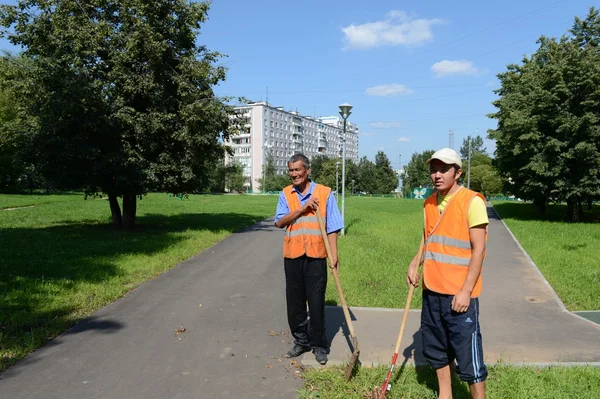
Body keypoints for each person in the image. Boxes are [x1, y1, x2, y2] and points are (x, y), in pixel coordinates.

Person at [406, 148, 489, 399]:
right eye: (433, 170)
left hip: (459, 295)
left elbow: (479, 249)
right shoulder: (429, 202)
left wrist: (465, 291)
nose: (437, 175)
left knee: (468, 355)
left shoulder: (472, 201)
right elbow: (427, 238)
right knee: (436, 348)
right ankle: (445, 394)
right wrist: (414, 262)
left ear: (458, 172)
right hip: (432, 290)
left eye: (444, 169)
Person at [274, 153, 343, 365]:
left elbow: (332, 226)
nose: (294, 174)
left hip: (316, 257)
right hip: (293, 257)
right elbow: (279, 222)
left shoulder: (324, 193)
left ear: (307, 171)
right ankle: (301, 341)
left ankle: (319, 345)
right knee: (294, 304)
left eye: (297, 170)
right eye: (291, 170)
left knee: (316, 303)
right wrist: (302, 208)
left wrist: (334, 255)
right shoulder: (286, 194)